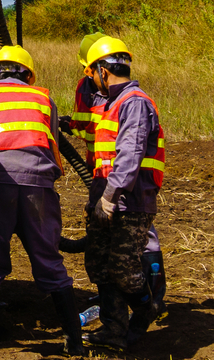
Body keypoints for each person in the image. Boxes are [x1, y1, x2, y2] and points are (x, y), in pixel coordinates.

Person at [0, 45, 83, 355]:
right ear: (28, 75)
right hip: (38, 186)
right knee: (49, 261)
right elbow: (53, 144)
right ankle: (74, 343)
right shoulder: (43, 97)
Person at [66, 33, 167, 322]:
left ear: (102, 71)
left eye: (92, 74)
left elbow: (129, 156)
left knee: (124, 273)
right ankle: (113, 330)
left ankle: (147, 312)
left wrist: (109, 197)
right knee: (99, 266)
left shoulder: (134, 103)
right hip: (106, 198)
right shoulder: (114, 102)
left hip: (128, 203)